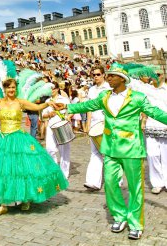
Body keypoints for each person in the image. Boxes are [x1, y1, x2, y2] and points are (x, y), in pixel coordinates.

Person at [57, 64, 167, 240]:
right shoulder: (104, 96)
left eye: (112, 76)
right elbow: (88, 105)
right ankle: (119, 216)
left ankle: (135, 223)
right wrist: (68, 108)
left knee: (135, 188)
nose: (108, 78)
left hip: (132, 149)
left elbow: (154, 112)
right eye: (107, 76)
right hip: (110, 148)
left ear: (122, 79)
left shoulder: (138, 98)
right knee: (110, 183)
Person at [0, 68, 68, 216]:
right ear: (4, 89)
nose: (11, 90)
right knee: (4, 171)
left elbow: (37, 107)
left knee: (22, 170)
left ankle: (25, 199)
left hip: (18, 139)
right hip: (2, 140)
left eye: (13, 87)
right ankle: (3, 204)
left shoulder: (20, 102)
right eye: (9, 87)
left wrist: (49, 103)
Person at [84, 65, 111, 191]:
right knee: (95, 153)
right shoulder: (91, 90)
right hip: (95, 123)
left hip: (106, 123)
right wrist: (87, 125)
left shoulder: (109, 88)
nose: (95, 77)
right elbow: (89, 108)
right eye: (94, 75)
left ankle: (117, 179)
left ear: (103, 74)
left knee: (109, 153)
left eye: (98, 74)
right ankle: (93, 182)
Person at [141, 69, 167, 194]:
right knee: (152, 154)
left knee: (165, 155)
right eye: (154, 74)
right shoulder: (148, 90)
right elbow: (144, 107)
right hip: (151, 125)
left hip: (164, 125)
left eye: (158, 74)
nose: (156, 77)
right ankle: (157, 182)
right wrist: (143, 120)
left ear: (163, 75)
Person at [42, 82, 72, 179]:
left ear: (58, 89)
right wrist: (49, 115)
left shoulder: (64, 100)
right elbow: (43, 116)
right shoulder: (47, 101)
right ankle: (54, 171)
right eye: (50, 89)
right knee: (50, 149)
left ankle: (64, 174)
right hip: (51, 127)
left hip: (62, 125)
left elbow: (71, 111)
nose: (52, 90)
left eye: (53, 88)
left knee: (64, 151)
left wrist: (68, 117)